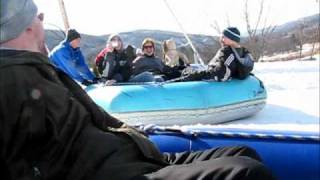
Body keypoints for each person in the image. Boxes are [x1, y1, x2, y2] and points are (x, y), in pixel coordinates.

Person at [0, 1, 276, 180]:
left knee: (244, 153)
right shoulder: (11, 82)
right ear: (24, 25)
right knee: (246, 174)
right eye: (39, 16)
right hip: (115, 172)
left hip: (136, 156)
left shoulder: (40, 69)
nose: (42, 23)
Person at [183, 27, 254, 82]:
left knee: (181, 71)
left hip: (211, 78)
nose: (221, 39)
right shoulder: (243, 51)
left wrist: (195, 75)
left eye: (224, 37)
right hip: (218, 73)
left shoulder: (227, 52)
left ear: (232, 39)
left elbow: (220, 73)